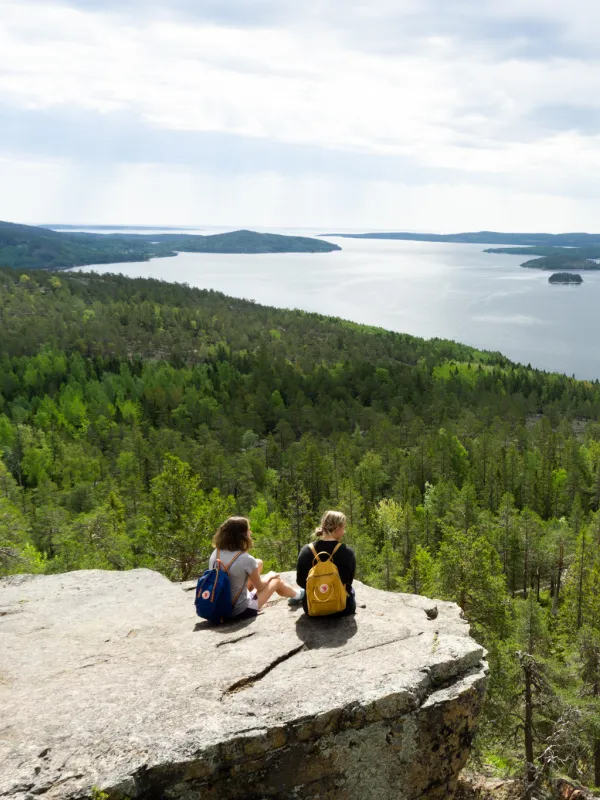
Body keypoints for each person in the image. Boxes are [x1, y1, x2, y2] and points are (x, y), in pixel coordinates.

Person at [209, 516, 304, 620]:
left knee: (258, 563)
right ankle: (298, 595)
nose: (251, 532)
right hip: (239, 610)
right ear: (242, 536)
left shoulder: (216, 552)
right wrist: (270, 575)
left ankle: (251, 595)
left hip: (219, 604)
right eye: (248, 530)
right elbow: (260, 587)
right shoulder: (246, 559)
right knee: (276, 581)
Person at [296, 510, 356, 617]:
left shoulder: (306, 550)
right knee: (351, 590)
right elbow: (349, 581)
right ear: (337, 529)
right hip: (342, 608)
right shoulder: (347, 552)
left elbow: (300, 581)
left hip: (312, 607)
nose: (344, 531)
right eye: (343, 528)